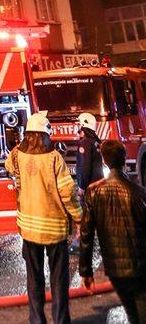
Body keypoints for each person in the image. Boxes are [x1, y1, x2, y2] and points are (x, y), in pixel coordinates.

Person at [5, 110, 82, 324]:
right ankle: (60, 320)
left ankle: (37, 320)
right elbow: (67, 192)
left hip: (29, 229)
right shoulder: (54, 158)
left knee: (34, 279)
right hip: (54, 230)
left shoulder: (17, 155)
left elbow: (8, 166)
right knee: (59, 281)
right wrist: (79, 216)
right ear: (45, 134)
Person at [79, 138, 146, 324]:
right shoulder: (138, 193)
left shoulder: (94, 193)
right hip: (140, 268)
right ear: (124, 160)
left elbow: (86, 234)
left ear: (104, 161)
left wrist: (86, 271)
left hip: (115, 269)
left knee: (132, 313)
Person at [75, 113, 103, 198]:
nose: (78, 127)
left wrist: (82, 187)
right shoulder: (95, 141)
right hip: (98, 184)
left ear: (83, 125)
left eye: (79, 124)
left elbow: (84, 166)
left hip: (90, 187)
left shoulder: (85, 142)